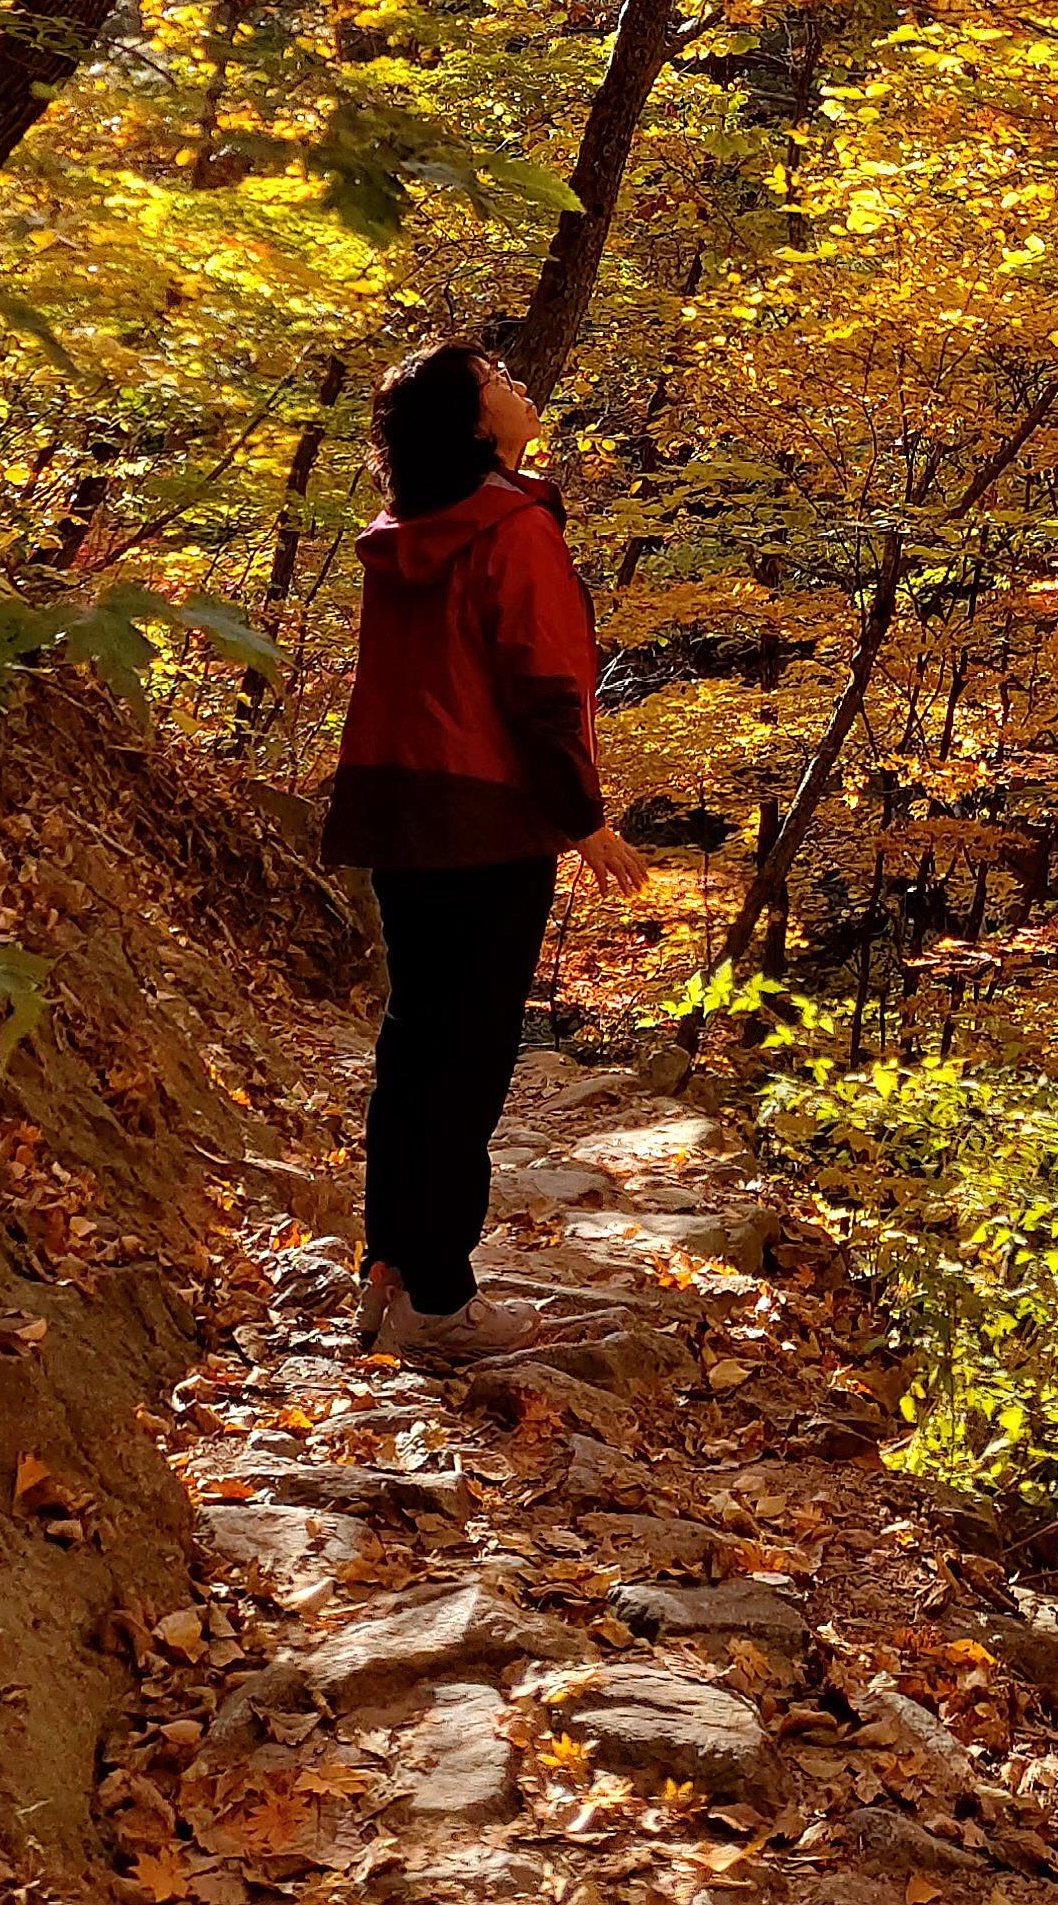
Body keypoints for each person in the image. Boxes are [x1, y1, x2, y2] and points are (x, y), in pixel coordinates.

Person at [323, 343, 645, 1367]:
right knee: (464, 1065)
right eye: (496, 379)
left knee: (415, 1047)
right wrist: (583, 819)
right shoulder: (512, 528)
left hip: (403, 815)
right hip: (491, 823)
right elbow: (543, 686)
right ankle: (439, 1300)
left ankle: (389, 1271)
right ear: (472, 424)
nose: (518, 384)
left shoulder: (404, 532)